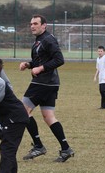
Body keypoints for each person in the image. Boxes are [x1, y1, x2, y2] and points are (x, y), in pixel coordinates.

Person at [20, 14, 74, 162]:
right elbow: (42, 59)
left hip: (43, 82)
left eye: (36, 23)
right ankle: (66, 149)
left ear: (44, 25)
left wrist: (40, 69)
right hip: (49, 83)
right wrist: (29, 65)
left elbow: (59, 60)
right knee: (49, 117)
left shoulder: (48, 39)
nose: (32, 26)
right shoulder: (40, 40)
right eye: (31, 23)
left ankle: (38, 146)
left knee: (22, 110)